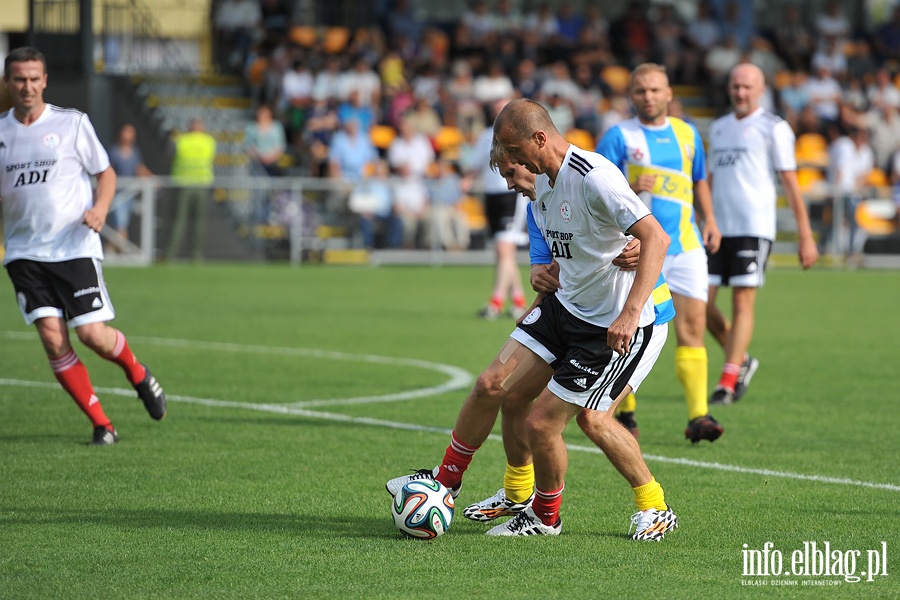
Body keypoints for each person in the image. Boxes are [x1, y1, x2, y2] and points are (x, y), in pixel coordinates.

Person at [387, 99, 678, 540]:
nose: (513, 170)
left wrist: (630, 309)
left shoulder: (593, 177)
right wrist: (544, 272)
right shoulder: (540, 183)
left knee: (574, 422)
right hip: (564, 308)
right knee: (494, 386)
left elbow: (654, 235)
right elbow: (563, 255)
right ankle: (444, 486)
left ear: (539, 139)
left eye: (514, 156)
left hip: (613, 324)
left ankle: (610, 510)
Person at [0, 47, 167, 445]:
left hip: (73, 247)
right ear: (8, 83)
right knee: (53, 338)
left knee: (92, 335)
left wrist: (101, 208)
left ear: (45, 81)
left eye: (34, 78)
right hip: (24, 253)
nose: (27, 86)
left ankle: (137, 373)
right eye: (19, 79)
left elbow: (105, 173)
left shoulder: (71, 124)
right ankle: (102, 424)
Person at [595, 63, 723, 443]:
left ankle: (699, 415)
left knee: (692, 326)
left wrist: (710, 218)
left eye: (654, 90)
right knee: (630, 328)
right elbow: (594, 189)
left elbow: (698, 179)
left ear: (669, 94)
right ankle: (626, 410)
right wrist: (631, 184)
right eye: (640, 91)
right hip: (635, 249)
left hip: (685, 245)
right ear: (631, 95)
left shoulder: (687, 134)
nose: (647, 97)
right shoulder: (618, 137)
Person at [706, 63, 819, 406]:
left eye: (747, 87)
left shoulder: (775, 128)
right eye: (736, 86)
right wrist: (704, 218)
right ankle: (741, 359)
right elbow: (708, 182)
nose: (740, 92)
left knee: (742, 301)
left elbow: (791, 184)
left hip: (753, 227)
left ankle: (727, 381)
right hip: (717, 228)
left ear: (761, 89)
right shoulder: (719, 127)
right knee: (699, 304)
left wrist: (805, 234)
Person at [468, 98, 530, 320]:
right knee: (504, 252)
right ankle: (518, 300)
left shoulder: (518, 135)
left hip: (510, 195)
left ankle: (495, 302)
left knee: (504, 249)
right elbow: (476, 164)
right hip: (491, 196)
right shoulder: (485, 135)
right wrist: (467, 179)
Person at [165, 117, 216, 262]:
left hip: (182, 184)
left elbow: (170, 158)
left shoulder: (181, 140)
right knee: (198, 222)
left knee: (178, 221)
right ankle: (196, 255)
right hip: (201, 184)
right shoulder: (209, 141)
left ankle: (170, 254)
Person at [106, 123, 153, 248]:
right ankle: (124, 251)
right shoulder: (114, 151)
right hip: (116, 193)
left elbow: (138, 168)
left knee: (122, 224)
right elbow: (107, 171)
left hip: (129, 193)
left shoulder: (135, 151)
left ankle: (112, 250)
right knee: (119, 224)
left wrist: (151, 178)